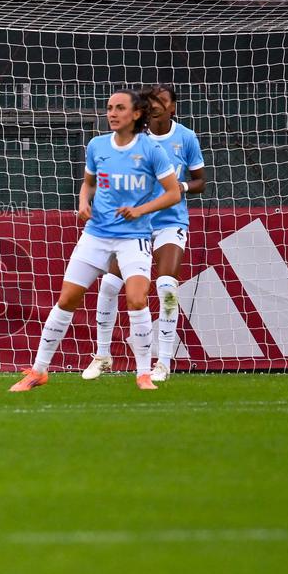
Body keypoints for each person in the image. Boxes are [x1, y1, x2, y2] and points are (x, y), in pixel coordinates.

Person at [10, 89, 182, 393]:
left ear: (136, 114)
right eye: (109, 108)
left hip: (134, 238)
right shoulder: (97, 145)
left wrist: (140, 210)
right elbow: (87, 183)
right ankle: (38, 371)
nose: (112, 113)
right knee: (67, 300)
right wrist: (82, 203)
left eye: (119, 108)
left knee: (137, 299)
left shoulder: (152, 150)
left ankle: (144, 373)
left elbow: (173, 193)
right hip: (96, 236)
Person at [82, 84, 207, 383]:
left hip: (170, 222)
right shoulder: (135, 139)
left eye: (162, 101)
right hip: (133, 225)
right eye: (151, 101)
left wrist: (182, 187)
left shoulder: (186, 137)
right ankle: (102, 355)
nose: (156, 106)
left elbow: (200, 180)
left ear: (173, 107)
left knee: (166, 286)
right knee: (109, 285)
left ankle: (162, 361)